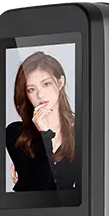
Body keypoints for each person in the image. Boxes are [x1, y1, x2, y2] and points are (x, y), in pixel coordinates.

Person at [6, 51, 77, 191]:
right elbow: (41, 186)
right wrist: (45, 134)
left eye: (46, 84)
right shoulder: (16, 133)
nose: (40, 94)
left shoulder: (81, 130)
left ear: (60, 83)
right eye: (31, 89)